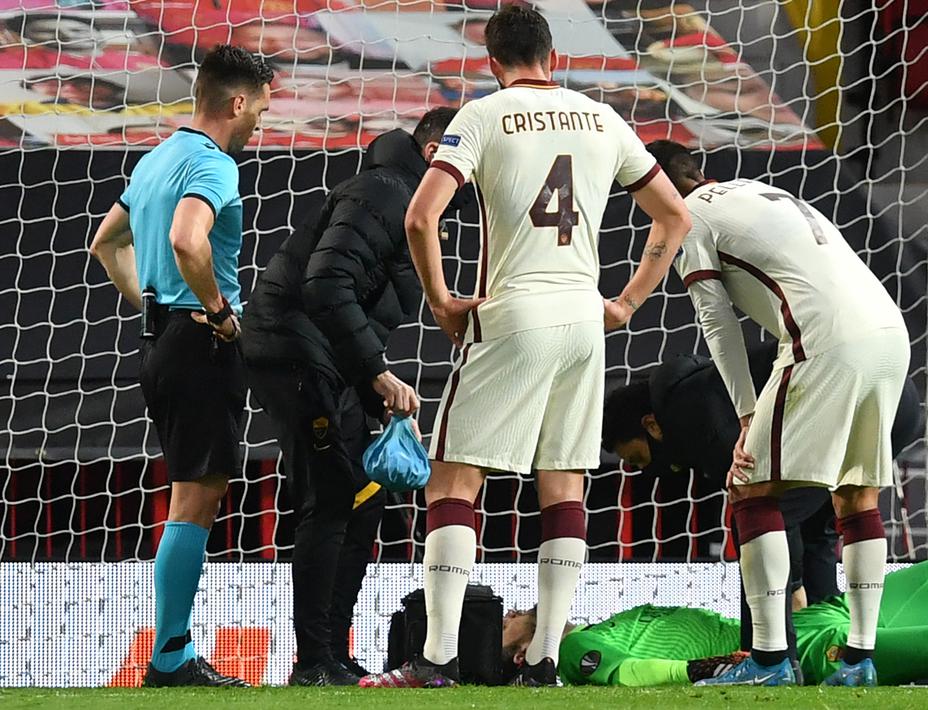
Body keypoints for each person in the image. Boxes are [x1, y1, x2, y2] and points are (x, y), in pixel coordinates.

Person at [364, 4, 691, 689]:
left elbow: (421, 215)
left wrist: (443, 301)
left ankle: (437, 657)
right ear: (551, 54)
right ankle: (542, 658)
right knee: (564, 484)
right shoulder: (602, 117)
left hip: (513, 311)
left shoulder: (481, 116)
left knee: (454, 476)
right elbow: (675, 214)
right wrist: (626, 303)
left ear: (492, 60)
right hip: (582, 319)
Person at [645, 140, 908, 687]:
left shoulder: (688, 218)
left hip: (825, 340)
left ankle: (767, 661)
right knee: (856, 494)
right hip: (890, 333)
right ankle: (859, 660)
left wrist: (745, 414)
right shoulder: (763, 193)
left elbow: (717, 324)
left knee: (750, 487)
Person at [240, 108, 466, 686]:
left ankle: (331, 654)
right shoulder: (386, 191)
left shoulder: (412, 204)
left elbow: (355, 306)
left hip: (324, 362)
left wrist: (371, 382)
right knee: (334, 497)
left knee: (364, 499)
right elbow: (325, 283)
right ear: (437, 148)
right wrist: (375, 373)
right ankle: (314, 661)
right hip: (294, 354)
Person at [88, 44, 272, 687]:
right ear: (237, 102)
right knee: (194, 499)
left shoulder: (155, 158)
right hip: (198, 346)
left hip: (164, 341)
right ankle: (169, 658)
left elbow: (106, 242)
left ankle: (171, 653)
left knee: (190, 493)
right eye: (261, 111)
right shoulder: (213, 165)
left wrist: (154, 306)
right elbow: (187, 239)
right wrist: (219, 314)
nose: (261, 125)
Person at [601, 344, 923, 661]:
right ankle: (832, 644)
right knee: (818, 525)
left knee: (756, 521)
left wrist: (793, 588)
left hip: (852, 399)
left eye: (638, 458)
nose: (646, 470)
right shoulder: (701, 393)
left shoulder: (696, 416)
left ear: (652, 425)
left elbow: (769, 511)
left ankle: (768, 656)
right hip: (896, 398)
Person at [501, 552, 928, 689]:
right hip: (800, 657)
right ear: (511, 655)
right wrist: (714, 667)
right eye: (503, 620)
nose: (517, 609)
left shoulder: (593, 623)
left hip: (808, 623)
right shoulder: (570, 655)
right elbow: (627, 676)